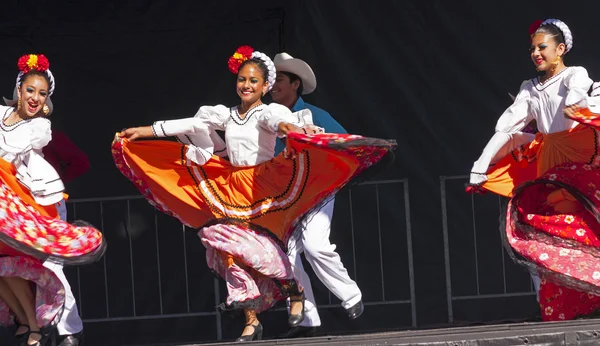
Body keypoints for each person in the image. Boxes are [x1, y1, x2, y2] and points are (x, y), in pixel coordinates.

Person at [113, 45, 395, 341]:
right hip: (235, 189)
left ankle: (313, 295)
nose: (246, 85)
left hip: (273, 186)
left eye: (253, 81)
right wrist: (146, 131)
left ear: (266, 86)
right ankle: (257, 317)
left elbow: (278, 122)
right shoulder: (227, 114)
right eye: (242, 80)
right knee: (228, 249)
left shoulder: (271, 111)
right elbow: (195, 123)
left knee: (295, 247)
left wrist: (289, 128)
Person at [467, 19, 600, 321]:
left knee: (580, 225)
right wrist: (479, 167)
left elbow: (578, 100)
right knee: (540, 235)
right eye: (533, 49)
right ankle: (554, 309)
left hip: (575, 161)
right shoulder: (530, 89)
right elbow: (507, 129)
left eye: (543, 47)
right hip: (548, 164)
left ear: (561, 49)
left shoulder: (574, 75)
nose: (536, 53)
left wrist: (579, 106)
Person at [0, 54, 105, 345]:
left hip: (39, 203)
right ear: (18, 89)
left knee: (51, 265)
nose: (34, 98)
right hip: (7, 206)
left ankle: (70, 329)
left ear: (48, 99)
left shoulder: (39, 127)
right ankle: (28, 323)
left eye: (42, 93)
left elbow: (11, 151)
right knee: (9, 264)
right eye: (30, 90)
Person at [270, 52, 363, 338]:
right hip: (281, 195)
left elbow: (346, 143)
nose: (275, 87)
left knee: (314, 244)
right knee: (285, 257)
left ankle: (350, 295)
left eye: (281, 81)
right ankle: (306, 318)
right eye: (272, 82)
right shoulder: (266, 116)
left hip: (315, 189)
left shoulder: (313, 115)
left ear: (295, 84)